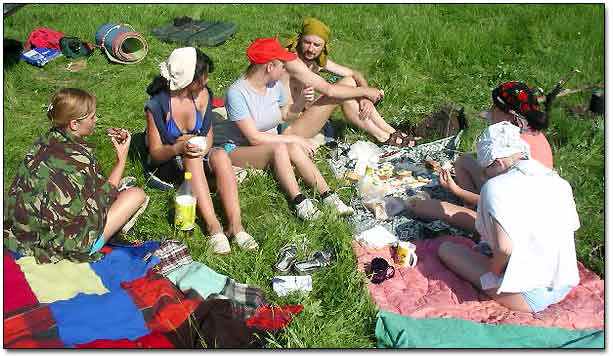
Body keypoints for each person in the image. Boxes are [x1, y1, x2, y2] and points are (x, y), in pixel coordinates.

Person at [438, 121, 580, 313]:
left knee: (447, 250)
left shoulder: (496, 187)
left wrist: (493, 272)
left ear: (498, 162)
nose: (485, 176)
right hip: (564, 282)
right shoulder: (559, 182)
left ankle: (501, 280)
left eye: (486, 170)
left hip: (529, 295)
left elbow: (505, 248)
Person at [213, 38, 354, 220]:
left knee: (291, 147)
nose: (285, 69)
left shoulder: (275, 86)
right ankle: (300, 202)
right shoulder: (237, 93)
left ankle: (328, 196)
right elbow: (254, 138)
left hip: (267, 143)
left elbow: (286, 115)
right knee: (282, 146)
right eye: (282, 65)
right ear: (269, 67)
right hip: (237, 147)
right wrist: (292, 138)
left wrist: (302, 101)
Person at [3, 88, 147, 264]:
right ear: (74, 124)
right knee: (136, 195)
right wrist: (121, 159)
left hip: (19, 233)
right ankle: (97, 243)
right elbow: (103, 198)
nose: (96, 120)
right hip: (60, 245)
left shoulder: (42, 142)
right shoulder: (80, 160)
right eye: (92, 117)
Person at [144, 47, 257, 255]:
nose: (206, 81)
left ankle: (235, 225)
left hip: (196, 159)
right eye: (202, 77)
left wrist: (200, 144)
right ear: (189, 79)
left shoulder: (204, 95)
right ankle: (213, 226)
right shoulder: (157, 105)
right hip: (168, 164)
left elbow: (209, 138)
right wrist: (178, 147)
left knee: (221, 155)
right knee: (192, 155)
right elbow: (155, 154)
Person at [408, 81, 554, 232]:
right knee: (463, 161)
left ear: (510, 115)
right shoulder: (523, 132)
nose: (490, 111)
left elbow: (500, 201)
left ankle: (474, 215)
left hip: (517, 223)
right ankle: (470, 206)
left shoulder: (514, 148)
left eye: (494, 108)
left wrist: (456, 191)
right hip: (510, 200)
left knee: (432, 210)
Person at [283, 17, 416, 146]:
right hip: (290, 126)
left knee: (349, 82)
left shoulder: (316, 62)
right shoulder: (293, 62)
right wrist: (366, 91)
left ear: (324, 46)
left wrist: (365, 98)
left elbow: (354, 74)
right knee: (340, 92)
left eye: (316, 45)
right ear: (299, 40)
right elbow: (329, 90)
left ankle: (389, 131)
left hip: (304, 116)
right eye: (307, 42)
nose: (311, 49)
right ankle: (383, 137)